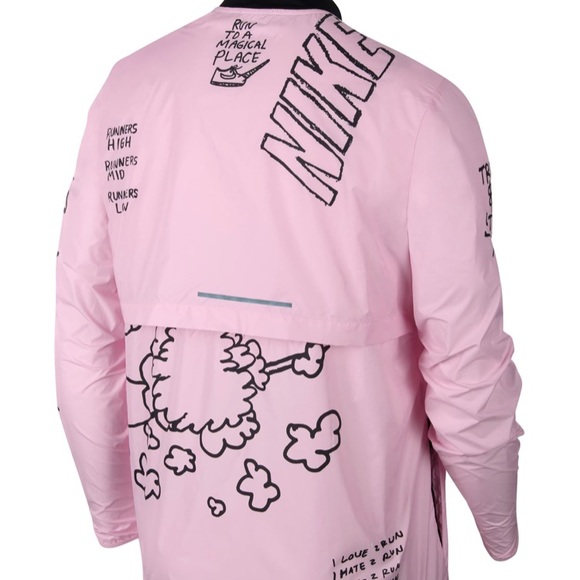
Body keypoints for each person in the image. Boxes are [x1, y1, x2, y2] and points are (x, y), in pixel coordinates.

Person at [54, 1, 524, 578]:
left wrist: (117, 511)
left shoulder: (127, 92)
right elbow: (469, 365)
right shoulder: (423, 107)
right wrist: (498, 524)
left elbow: (84, 337)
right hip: (366, 551)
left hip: (180, 554)